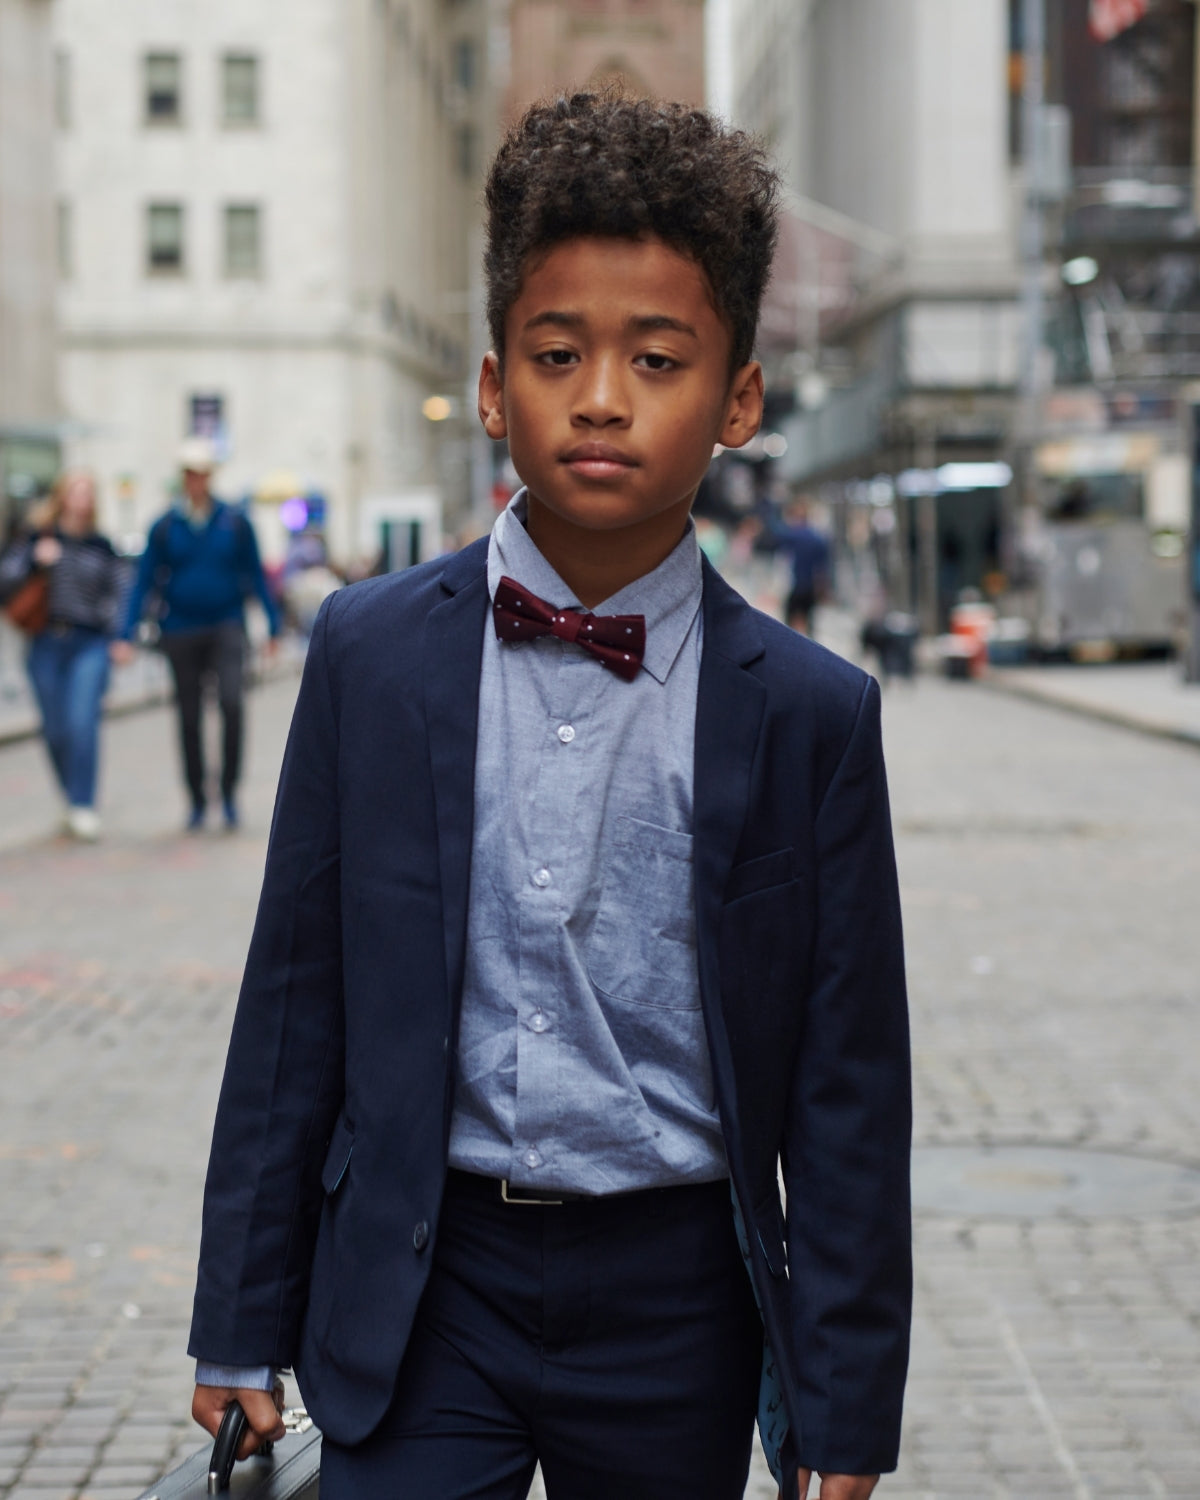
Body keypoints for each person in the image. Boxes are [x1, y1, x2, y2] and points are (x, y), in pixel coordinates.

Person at [187, 94, 911, 1500]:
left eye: (656, 359)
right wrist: (237, 1319)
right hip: (420, 1277)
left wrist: (843, 1410)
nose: (599, 397)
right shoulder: (370, 655)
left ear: (741, 399)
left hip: (676, 1299)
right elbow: (294, 1008)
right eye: (558, 353)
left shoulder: (816, 716)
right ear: (490, 383)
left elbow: (847, 1092)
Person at [113, 437, 280, 831]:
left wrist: (272, 625)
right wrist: (126, 632)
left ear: (210, 476)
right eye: (190, 474)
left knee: (232, 704)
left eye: (202, 474)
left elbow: (255, 574)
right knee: (188, 716)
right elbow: (144, 582)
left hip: (227, 625)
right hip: (181, 629)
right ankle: (196, 798)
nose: (196, 481)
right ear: (182, 477)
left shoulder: (235, 523)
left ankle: (229, 791)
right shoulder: (165, 526)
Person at [0, 472, 127, 840]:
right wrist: (35, 563)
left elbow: (121, 590)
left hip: (89, 642)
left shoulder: (101, 545)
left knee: (81, 722)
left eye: (88, 492)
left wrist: (119, 634)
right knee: (55, 730)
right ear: (62, 496)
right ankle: (70, 798)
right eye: (76, 491)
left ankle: (84, 804)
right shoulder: (37, 538)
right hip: (45, 643)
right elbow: (6, 582)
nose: (82, 499)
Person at [770, 499, 832, 635]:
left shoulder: (791, 536)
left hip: (795, 585)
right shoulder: (818, 538)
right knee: (809, 622)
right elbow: (823, 568)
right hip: (810, 587)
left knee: (789, 624)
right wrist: (823, 589)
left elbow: (774, 537)